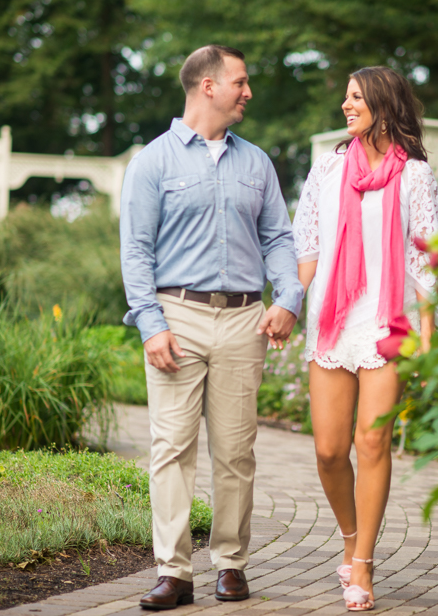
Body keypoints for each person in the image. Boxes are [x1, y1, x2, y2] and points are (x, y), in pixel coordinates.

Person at [120, 44, 303, 609]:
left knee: (236, 450)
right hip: (177, 317)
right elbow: (136, 252)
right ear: (208, 86)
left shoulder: (258, 163)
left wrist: (288, 298)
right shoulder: (153, 162)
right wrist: (150, 325)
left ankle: (231, 564)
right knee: (171, 448)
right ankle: (173, 573)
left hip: (245, 320)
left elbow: (279, 239)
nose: (248, 92)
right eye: (240, 82)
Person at [292, 66, 438, 611]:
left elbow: (427, 258)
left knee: (372, 441)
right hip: (333, 320)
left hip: (389, 323)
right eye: (345, 96)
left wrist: (427, 335)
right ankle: (350, 537)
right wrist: (288, 305)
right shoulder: (328, 171)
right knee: (330, 450)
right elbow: (307, 248)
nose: (345, 104)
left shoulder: (416, 177)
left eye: (355, 96)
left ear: (383, 104)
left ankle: (362, 566)